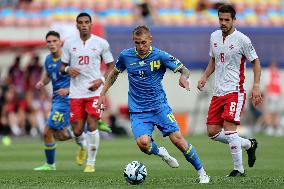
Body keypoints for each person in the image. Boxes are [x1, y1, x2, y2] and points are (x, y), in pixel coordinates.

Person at [97, 25, 210, 184]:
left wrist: (183, 78)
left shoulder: (160, 56)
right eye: (137, 43)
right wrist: (102, 94)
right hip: (138, 111)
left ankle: (202, 173)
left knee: (178, 140)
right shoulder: (126, 56)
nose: (141, 46)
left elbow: (184, 70)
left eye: (143, 42)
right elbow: (113, 74)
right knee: (143, 144)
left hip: (159, 107)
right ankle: (161, 152)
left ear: (150, 40)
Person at [197, 4, 262, 177]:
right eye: (221, 19)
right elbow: (213, 60)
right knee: (212, 132)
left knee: (229, 128)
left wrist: (256, 85)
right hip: (218, 91)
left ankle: (238, 170)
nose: (223, 22)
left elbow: (255, 61)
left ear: (234, 20)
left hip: (234, 90)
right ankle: (249, 144)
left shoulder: (242, 39)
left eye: (227, 20)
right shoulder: (214, 36)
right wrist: (204, 76)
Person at [60, 12, 115, 173]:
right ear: (77, 25)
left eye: (86, 22)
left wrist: (101, 80)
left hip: (94, 91)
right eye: (81, 22)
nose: (84, 25)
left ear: (91, 24)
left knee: (92, 125)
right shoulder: (69, 43)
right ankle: (83, 146)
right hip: (76, 93)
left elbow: (111, 66)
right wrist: (69, 69)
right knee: (77, 130)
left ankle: (91, 162)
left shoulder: (101, 43)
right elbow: (61, 67)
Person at [33, 31, 87, 171]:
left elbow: (82, 78)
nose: (51, 44)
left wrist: (68, 90)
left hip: (67, 100)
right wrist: (41, 83)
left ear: (60, 42)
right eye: (49, 42)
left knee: (47, 131)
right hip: (56, 99)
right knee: (59, 135)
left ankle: (50, 165)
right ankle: (81, 136)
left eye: (54, 41)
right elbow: (48, 76)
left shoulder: (69, 58)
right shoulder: (48, 60)